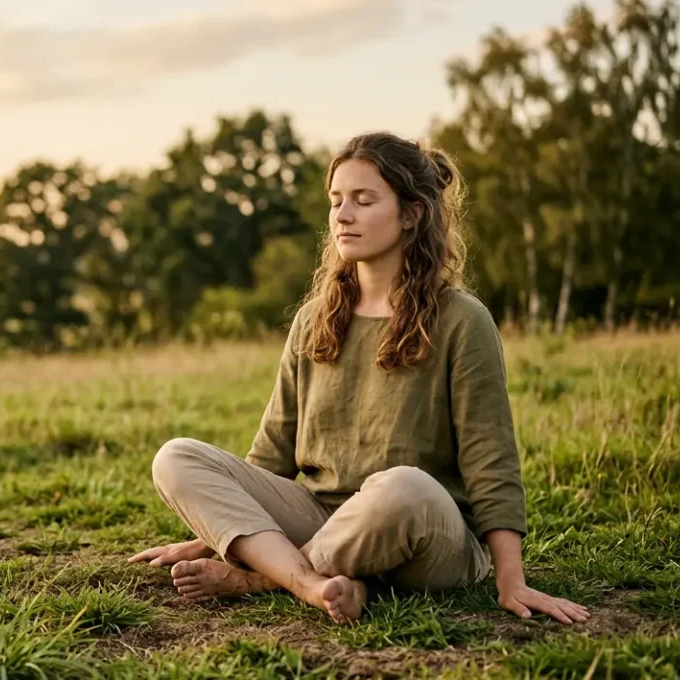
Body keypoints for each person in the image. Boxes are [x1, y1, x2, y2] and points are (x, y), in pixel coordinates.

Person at [127, 132, 589, 626]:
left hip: (426, 532)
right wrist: (219, 528)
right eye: (336, 201)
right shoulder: (314, 318)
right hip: (321, 515)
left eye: (364, 200)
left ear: (412, 214)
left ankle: (262, 579)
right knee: (177, 457)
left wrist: (511, 580)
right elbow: (271, 456)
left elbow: (490, 457)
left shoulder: (462, 320)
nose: (342, 215)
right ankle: (318, 582)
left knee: (403, 488)